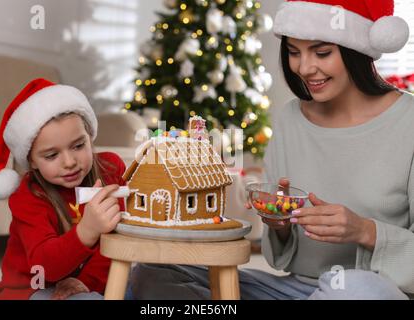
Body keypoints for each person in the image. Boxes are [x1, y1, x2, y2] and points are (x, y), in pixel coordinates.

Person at [130, 0, 413, 299]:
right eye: (293, 52)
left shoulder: (407, 121)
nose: (304, 68)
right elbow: (281, 250)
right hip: (294, 289)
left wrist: (365, 231)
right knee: (152, 273)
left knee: (357, 290)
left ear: (356, 49)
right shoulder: (291, 118)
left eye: (322, 52)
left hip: (367, 291)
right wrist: (278, 225)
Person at [0, 78, 128, 300]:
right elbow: (46, 267)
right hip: (33, 286)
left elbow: (118, 241)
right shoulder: (28, 195)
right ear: (31, 161)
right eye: (52, 155)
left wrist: (86, 281)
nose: (69, 162)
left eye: (79, 145)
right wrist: (87, 230)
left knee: (149, 280)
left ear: (90, 137)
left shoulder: (110, 169)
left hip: (89, 281)